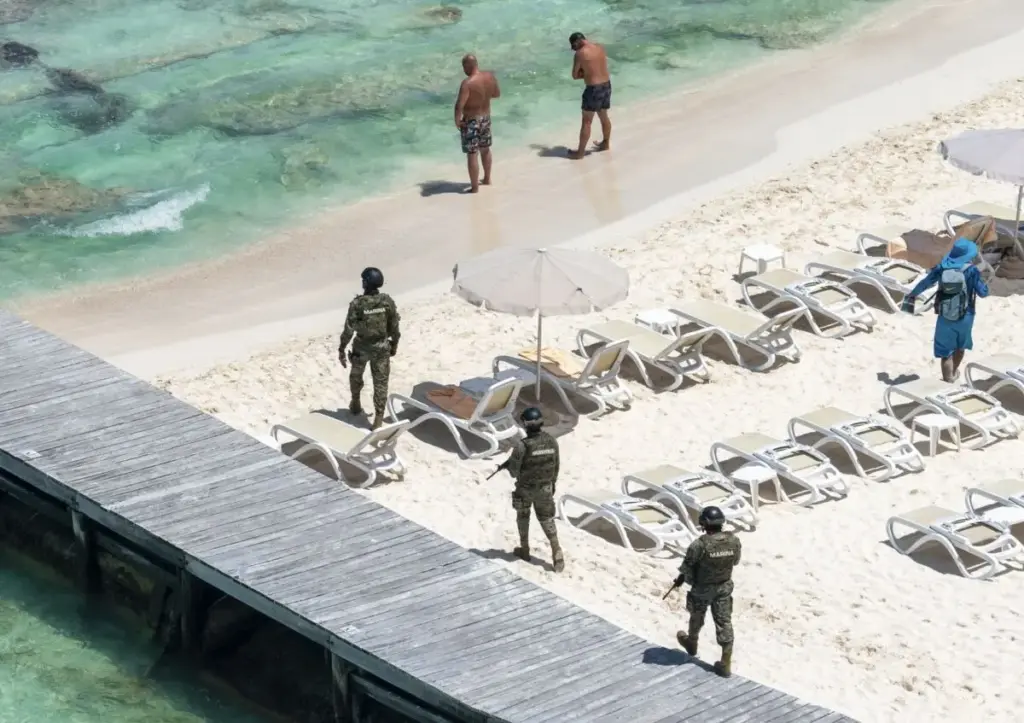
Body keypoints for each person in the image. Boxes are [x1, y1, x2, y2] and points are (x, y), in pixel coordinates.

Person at [902, 238, 989, 382]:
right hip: (966, 315)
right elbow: (983, 293)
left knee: (945, 352)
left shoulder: (941, 267)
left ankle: (948, 379)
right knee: (960, 347)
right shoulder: (972, 271)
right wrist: (984, 284)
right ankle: (954, 373)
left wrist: (912, 296)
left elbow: (925, 283)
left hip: (945, 314)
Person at [674, 506, 741, 678]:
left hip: (702, 589)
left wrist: (682, 579)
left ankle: (692, 643)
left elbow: (687, 570)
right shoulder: (733, 540)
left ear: (704, 523)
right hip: (724, 588)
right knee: (724, 622)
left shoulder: (699, 545)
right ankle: (726, 662)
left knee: (696, 616)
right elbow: (735, 562)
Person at [499, 407, 565, 572]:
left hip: (525, 489)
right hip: (545, 488)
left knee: (523, 516)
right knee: (546, 519)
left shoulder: (522, 446)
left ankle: (525, 549)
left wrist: (508, 466)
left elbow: (514, 471)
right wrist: (552, 485)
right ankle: (556, 548)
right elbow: (556, 466)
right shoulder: (552, 441)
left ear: (525, 424)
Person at [338, 267, 401, 429]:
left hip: (361, 348)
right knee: (380, 383)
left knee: (356, 376)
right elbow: (394, 326)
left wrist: (342, 349)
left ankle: (356, 402)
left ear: (366, 282)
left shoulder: (358, 304)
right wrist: (394, 345)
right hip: (381, 348)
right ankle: (378, 419)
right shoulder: (387, 301)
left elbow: (348, 330)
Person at [454, 54, 500, 193]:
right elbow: (496, 94)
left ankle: (474, 187)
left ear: (468, 65)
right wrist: (482, 96)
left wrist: (457, 121)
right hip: (485, 117)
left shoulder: (467, 83)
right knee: (485, 149)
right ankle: (487, 179)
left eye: (464, 66)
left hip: (471, 120)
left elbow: (459, 105)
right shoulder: (490, 77)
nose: (463, 70)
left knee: (472, 153)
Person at [568, 32, 611, 160]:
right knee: (604, 116)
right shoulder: (599, 47)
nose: (574, 49)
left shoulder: (580, 53)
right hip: (606, 85)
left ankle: (580, 153)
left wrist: (585, 74)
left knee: (587, 121)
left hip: (593, 89)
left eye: (573, 46)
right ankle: (606, 143)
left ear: (577, 42)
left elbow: (575, 76)